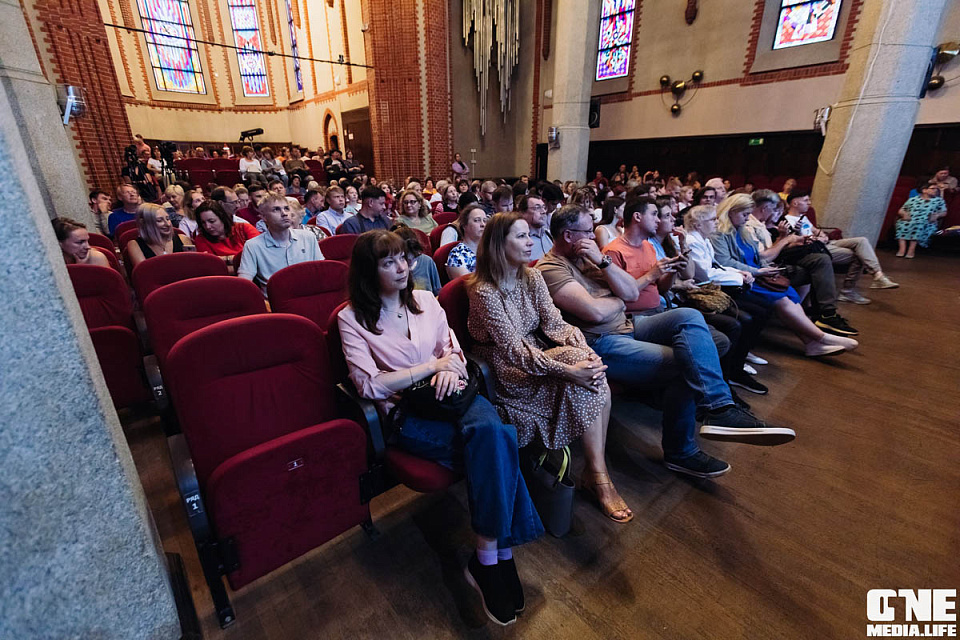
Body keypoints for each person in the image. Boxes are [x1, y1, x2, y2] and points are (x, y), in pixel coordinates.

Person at [339, 230, 541, 626]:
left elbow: (452, 349)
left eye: (404, 258)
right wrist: (431, 368)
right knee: (499, 441)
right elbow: (367, 384)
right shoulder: (352, 318)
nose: (402, 268)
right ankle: (499, 556)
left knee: (495, 436)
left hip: (454, 396)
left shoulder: (427, 301)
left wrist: (448, 367)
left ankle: (489, 558)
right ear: (368, 270)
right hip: (407, 414)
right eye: (387, 262)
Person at [538, 204, 795, 481]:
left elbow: (629, 292)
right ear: (568, 235)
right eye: (587, 231)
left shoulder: (589, 257)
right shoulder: (550, 268)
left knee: (688, 315)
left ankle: (718, 407)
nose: (592, 236)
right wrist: (618, 300)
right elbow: (595, 312)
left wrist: (603, 263)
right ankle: (681, 452)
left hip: (628, 326)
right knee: (683, 363)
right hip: (599, 342)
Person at [467, 212, 630, 523]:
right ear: (500, 245)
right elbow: (514, 351)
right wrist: (569, 370)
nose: (531, 242)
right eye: (522, 236)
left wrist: (584, 353)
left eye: (530, 235)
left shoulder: (532, 277)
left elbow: (556, 324)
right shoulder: (484, 290)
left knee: (591, 372)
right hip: (506, 370)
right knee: (587, 377)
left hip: (537, 352)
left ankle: (597, 473)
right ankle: (598, 477)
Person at [711, 196, 858, 357]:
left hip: (756, 275)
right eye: (744, 214)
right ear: (731, 212)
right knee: (779, 298)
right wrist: (758, 272)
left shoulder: (742, 231)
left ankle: (811, 343)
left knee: (788, 292)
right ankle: (821, 337)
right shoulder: (719, 233)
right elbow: (725, 262)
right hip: (741, 279)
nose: (747, 218)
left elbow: (757, 257)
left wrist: (766, 268)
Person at [783, 191, 899, 302]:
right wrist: (819, 238)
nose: (809, 203)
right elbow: (798, 240)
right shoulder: (788, 220)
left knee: (862, 241)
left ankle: (878, 275)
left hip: (825, 242)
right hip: (815, 247)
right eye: (806, 200)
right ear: (795, 203)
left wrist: (822, 235)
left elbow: (816, 230)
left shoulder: (804, 217)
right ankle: (848, 291)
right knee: (859, 255)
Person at [237, 193, 324, 294]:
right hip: (275, 303)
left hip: (309, 296)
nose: (284, 213)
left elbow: (321, 271)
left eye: (286, 208)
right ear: (264, 217)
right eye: (276, 209)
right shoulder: (253, 246)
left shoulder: (308, 237)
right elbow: (244, 284)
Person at [193, 201, 260, 268]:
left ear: (222, 218)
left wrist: (225, 259)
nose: (207, 226)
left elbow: (259, 253)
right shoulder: (201, 239)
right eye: (203, 223)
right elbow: (212, 266)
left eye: (212, 221)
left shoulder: (244, 228)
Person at [125, 203, 194, 268]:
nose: (167, 224)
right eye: (159, 220)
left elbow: (194, 267)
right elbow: (145, 274)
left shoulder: (183, 239)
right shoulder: (134, 245)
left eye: (167, 219)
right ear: (146, 224)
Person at [895, 183, 948, 258]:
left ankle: (911, 250)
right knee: (901, 224)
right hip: (910, 219)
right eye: (933, 188)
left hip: (926, 220)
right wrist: (904, 214)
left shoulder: (939, 201)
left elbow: (944, 212)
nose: (935, 191)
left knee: (918, 225)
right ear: (924, 190)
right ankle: (902, 249)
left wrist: (937, 215)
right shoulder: (913, 199)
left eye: (936, 189)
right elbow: (902, 209)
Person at [393, 225, 441, 295]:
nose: (410, 261)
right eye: (404, 258)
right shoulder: (394, 269)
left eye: (414, 256)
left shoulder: (427, 262)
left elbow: (437, 293)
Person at [445, 204, 487, 280]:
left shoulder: (491, 248)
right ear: (464, 225)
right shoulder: (457, 255)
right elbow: (470, 286)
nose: (483, 224)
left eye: (485, 221)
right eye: (477, 220)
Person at [517, 195, 553, 261]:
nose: (543, 211)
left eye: (544, 207)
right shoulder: (520, 241)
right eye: (537, 208)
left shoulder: (549, 235)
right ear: (523, 213)